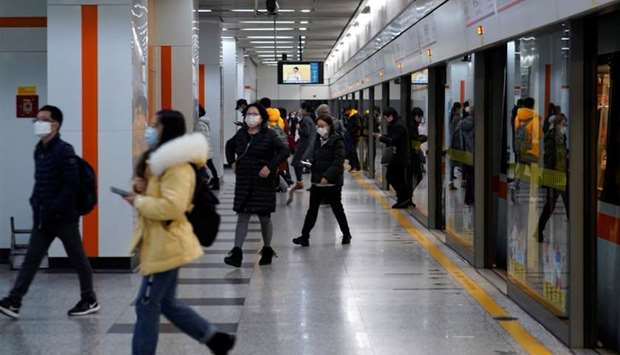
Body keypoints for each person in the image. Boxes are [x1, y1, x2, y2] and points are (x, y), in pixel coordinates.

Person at [126, 110, 235, 355]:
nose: (149, 129)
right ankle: (215, 338)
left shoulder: (177, 166)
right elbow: (161, 196)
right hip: (159, 241)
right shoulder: (159, 162)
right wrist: (140, 189)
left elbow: (172, 207)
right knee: (166, 302)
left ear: (167, 129)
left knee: (146, 305)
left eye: (155, 125)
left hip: (167, 243)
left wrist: (138, 202)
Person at [0, 105, 99, 320]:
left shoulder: (65, 150)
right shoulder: (39, 149)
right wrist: (35, 202)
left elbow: (70, 186)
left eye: (42, 119)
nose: (38, 123)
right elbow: (40, 182)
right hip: (43, 218)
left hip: (64, 219)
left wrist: (55, 208)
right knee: (31, 260)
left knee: (78, 259)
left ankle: (89, 299)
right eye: (36, 120)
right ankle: (14, 301)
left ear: (55, 124)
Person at [224, 103, 289, 267]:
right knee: (242, 215)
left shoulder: (270, 135)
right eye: (248, 114)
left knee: (264, 218)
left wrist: (270, 167)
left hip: (263, 182)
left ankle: (267, 249)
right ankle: (236, 253)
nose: (250, 117)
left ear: (262, 117)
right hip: (244, 181)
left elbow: (284, 151)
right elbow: (229, 146)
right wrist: (232, 162)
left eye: (254, 114)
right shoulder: (241, 134)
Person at [292, 115, 352, 247]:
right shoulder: (318, 140)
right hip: (317, 181)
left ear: (330, 126)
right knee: (312, 210)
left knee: (337, 208)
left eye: (322, 126)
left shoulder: (337, 141)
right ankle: (304, 236)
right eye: (318, 126)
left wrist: (327, 176)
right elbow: (315, 156)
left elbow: (338, 161)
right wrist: (309, 162)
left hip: (332, 182)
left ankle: (346, 234)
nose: (320, 128)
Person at [538, 105, 569, 242]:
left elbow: (561, 153)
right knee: (550, 206)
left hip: (562, 174)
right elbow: (549, 158)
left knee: (569, 203)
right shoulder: (550, 138)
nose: (565, 126)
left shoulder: (562, 137)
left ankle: (575, 233)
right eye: (564, 124)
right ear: (558, 124)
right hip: (554, 176)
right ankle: (539, 229)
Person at [374, 107, 412, 209]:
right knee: (399, 178)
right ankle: (403, 199)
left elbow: (392, 140)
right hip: (399, 156)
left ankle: (403, 198)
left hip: (399, 157)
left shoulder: (398, 126)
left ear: (391, 116)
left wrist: (381, 138)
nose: (386, 120)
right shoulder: (397, 124)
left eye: (386, 117)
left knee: (391, 176)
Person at [290, 101, 316, 190]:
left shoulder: (306, 119)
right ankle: (301, 182)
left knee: (296, 163)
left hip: (304, 145)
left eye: (301, 108)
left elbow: (306, 132)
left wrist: (298, 128)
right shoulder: (310, 118)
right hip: (308, 144)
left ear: (305, 109)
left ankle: (300, 182)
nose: (300, 110)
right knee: (301, 164)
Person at [195, 105, 220, 190]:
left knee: (206, 167)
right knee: (210, 166)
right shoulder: (203, 123)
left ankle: (211, 181)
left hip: (203, 149)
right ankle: (214, 181)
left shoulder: (200, 124)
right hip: (206, 149)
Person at [456, 104, 475, 206]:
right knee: (474, 177)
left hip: (465, 154)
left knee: (469, 177)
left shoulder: (462, 123)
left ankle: (468, 199)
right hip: (474, 154)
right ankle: (472, 198)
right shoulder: (477, 124)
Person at [408, 107, 428, 206]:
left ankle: (408, 196)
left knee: (416, 176)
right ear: (416, 116)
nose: (421, 120)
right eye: (420, 117)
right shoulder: (412, 126)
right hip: (412, 155)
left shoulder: (412, 125)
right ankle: (408, 196)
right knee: (417, 175)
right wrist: (423, 138)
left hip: (412, 155)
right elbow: (414, 141)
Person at [448, 102, 462, 190]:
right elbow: (456, 132)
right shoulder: (457, 118)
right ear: (457, 108)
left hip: (452, 143)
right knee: (462, 163)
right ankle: (463, 182)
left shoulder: (451, 116)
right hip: (456, 144)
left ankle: (451, 182)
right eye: (460, 108)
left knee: (452, 164)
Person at [344, 107, 362, 171]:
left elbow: (357, 126)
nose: (345, 113)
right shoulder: (352, 116)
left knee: (352, 152)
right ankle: (354, 166)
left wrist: (350, 131)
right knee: (351, 152)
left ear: (349, 110)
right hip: (352, 136)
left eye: (345, 112)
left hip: (353, 137)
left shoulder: (354, 116)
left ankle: (355, 166)